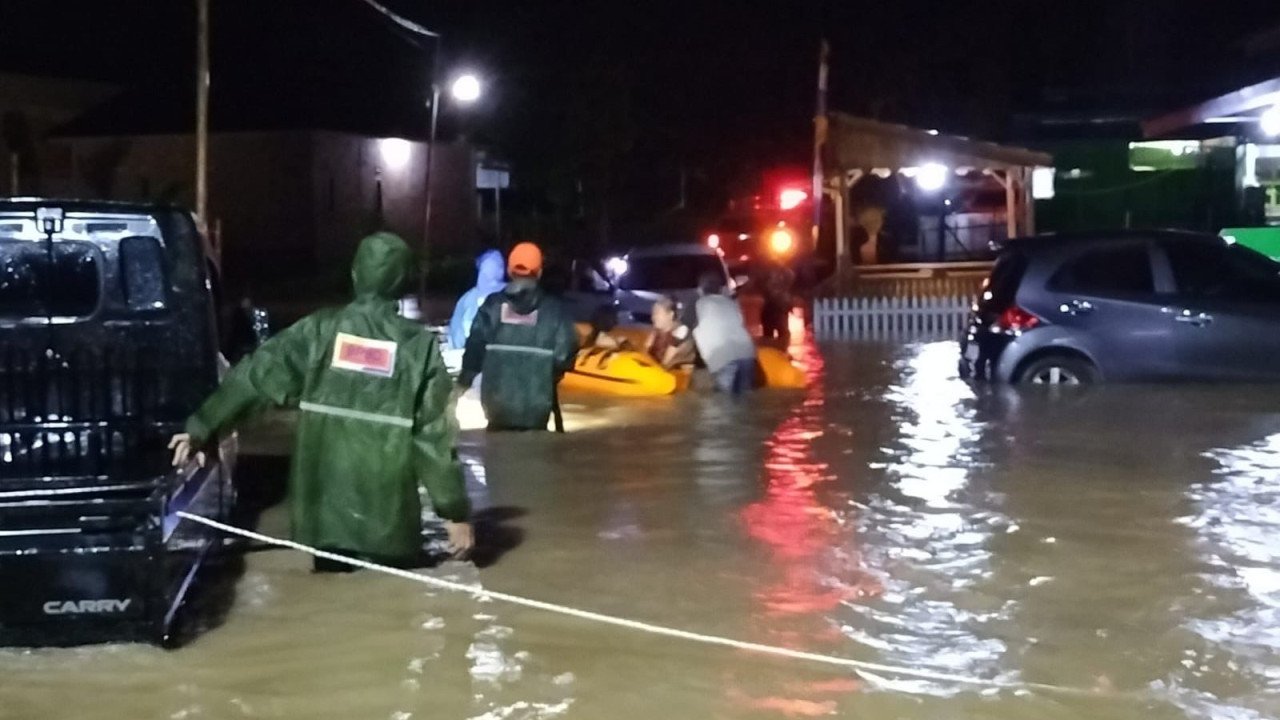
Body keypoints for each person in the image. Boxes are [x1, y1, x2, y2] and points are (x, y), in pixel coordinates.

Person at [168, 232, 474, 571]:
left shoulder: (317, 332)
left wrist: (203, 426)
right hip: (389, 523)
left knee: (332, 589)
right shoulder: (419, 348)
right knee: (387, 597)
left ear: (355, 274)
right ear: (404, 282)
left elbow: (255, 378)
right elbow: (434, 437)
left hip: (324, 519)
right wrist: (454, 512)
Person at [458, 242, 578, 431]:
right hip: (537, 409)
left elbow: (474, 352)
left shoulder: (492, 306)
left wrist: (460, 387)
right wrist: (546, 374)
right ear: (539, 272)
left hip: (496, 409)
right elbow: (565, 355)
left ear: (509, 270)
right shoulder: (555, 310)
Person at [692, 271, 757, 395]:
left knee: (723, 401)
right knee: (745, 398)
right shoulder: (732, 303)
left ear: (700, 289)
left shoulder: (699, 304)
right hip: (747, 353)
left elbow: (687, 331)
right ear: (721, 289)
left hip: (723, 357)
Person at [447, 249, 506, 350]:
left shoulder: (510, 297)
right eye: (486, 270)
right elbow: (456, 335)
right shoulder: (467, 300)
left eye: (495, 267)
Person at [644, 296, 696, 369]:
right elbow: (645, 351)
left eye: (657, 313)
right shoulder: (657, 330)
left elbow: (666, 362)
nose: (653, 317)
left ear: (670, 315)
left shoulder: (680, 332)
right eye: (653, 314)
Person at [759, 260, 795, 344]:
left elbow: (790, 279)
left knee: (781, 330)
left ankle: (781, 347)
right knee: (770, 331)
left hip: (780, 305)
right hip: (772, 305)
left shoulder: (785, 273)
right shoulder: (767, 273)